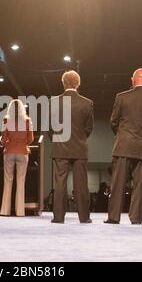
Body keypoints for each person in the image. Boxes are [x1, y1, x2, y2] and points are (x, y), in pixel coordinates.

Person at [105, 68, 142, 225]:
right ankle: (136, 218)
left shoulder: (121, 97)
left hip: (123, 146)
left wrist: (122, 135)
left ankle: (114, 217)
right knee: (141, 186)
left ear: (132, 80)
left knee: (117, 184)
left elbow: (113, 122)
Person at [50, 70, 94, 224]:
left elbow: (50, 127)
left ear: (63, 83)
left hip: (60, 147)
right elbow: (89, 128)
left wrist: (58, 139)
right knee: (81, 184)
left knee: (60, 183)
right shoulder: (87, 103)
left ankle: (58, 217)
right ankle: (84, 217)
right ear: (78, 83)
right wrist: (80, 138)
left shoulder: (53, 102)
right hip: (79, 148)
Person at [0, 99, 34, 217]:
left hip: (9, 151)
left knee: (8, 181)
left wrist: (5, 143)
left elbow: (3, 138)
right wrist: (23, 142)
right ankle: (20, 212)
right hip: (23, 151)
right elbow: (31, 139)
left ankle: (5, 211)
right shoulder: (28, 120)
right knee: (21, 182)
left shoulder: (6, 120)